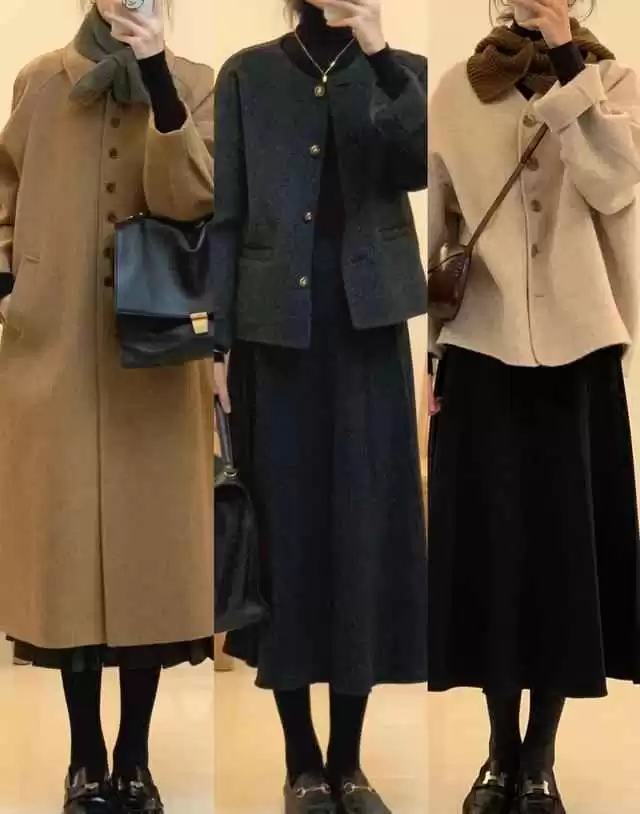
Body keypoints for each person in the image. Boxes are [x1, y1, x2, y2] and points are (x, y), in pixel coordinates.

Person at [210, 0, 427, 811]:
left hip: (369, 330)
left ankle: (350, 760)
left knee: (363, 536)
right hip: (276, 334)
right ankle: (301, 761)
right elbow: (227, 213)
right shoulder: (247, 74)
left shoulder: (402, 72)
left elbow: (415, 164)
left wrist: (377, 50)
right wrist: (216, 342)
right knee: (289, 538)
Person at [0, 1, 214, 812]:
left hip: (154, 359)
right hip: (52, 355)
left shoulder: (195, 83)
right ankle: (84, 755)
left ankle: (135, 755)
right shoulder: (39, 81)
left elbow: (193, 198)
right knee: (66, 569)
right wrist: (15, 292)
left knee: (148, 564)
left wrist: (156, 77)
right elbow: (4, 193)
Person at [427, 0, 640, 812]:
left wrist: (568, 61)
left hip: (579, 350)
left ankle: (541, 756)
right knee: (492, 555)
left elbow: (614, 184)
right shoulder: (456, 89)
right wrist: (429, 361)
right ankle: (498, 752)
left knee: (563, 559)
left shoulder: (615, 81)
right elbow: (437, 227)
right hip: (480, 349)